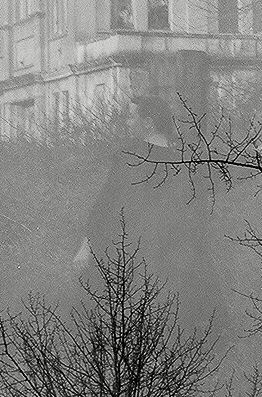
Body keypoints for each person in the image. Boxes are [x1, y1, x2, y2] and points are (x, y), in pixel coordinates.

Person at [74, 95, 229, 332]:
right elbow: (104, 206)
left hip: (166, 260)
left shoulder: (178, 160)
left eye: (130, 116)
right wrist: (86, 246)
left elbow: (224, 174)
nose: (127, 123)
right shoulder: (134, 158)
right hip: (144, 258)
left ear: (148, 122)